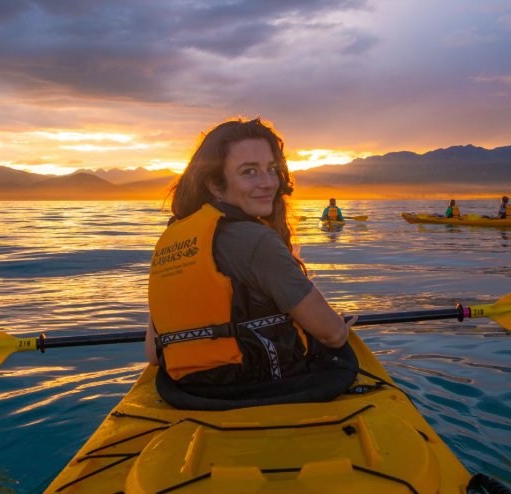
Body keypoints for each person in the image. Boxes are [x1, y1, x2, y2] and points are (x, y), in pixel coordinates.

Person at [145, 117, 358, 408]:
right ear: (216, 186)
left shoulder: (173, 239)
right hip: (259, 387)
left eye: (271, 170)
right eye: (249, 172)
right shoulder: (256, 241)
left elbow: (154, 354)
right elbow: (331, 334)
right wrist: (342, 327)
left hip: (189, 391)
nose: (268, 183)